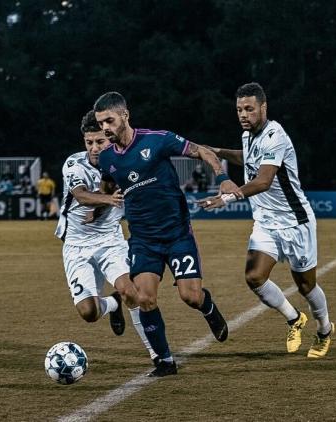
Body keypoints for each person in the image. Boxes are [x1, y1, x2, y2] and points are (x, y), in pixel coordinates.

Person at [94, 91, 237, 377]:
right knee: (144, 298)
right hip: (144, 240)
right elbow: (107, 186)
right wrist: (100, 203)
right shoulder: (107, 157)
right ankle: (164, 360)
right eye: (101, 124)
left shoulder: (157, 139)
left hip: (177, 234)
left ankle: (208, 308)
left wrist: (222, 178)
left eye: (109, 120)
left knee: (190, 297)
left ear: (125, 115)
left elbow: (203, 151)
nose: (106, 128)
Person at [201, 82, 335, 359]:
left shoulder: (276, 136)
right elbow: (249, 159)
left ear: (264, 107)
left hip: (295, 221)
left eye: (249, 109)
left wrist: (227, 199)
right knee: (254, 276)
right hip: (265, 221)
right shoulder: (248, 135)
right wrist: (219, 151)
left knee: (305, 285)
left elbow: (263, 180)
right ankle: (293, 318)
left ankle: (324, 329)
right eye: (239, 109)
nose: (243, 114)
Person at [54, 110, 157, 364]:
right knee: (88, 312)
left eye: (100, 141)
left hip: (110, 241)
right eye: (89, 142)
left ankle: (156, 353)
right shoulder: (74, 164)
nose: (94, 148)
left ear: (110, 137)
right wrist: (108, 199)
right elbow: (80, 195)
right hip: (76, 246)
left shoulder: (126, 163)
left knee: (131, 292)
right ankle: (111, 304)